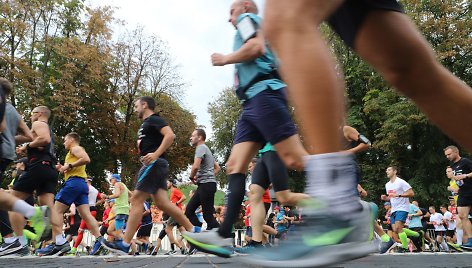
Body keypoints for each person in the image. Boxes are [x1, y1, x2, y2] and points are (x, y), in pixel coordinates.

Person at [259, 0, 472, 264]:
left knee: (285, 15)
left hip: (344, 165)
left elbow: (366, 143)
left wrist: (346, 153)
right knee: (411, 71)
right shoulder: (325, 129)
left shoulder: (346, 130)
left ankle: (336, 210)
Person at [103, 96, 196, 255]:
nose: (135, 109)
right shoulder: (147, 123)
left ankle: (125, 244)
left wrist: (155, 154)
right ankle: (192, 231)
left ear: (145, 105)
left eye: (137, 105)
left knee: (137, 199)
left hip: (153, 163)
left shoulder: (154, 119)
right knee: (162, 203)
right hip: (156, 164)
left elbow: (170, 135)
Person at [41, 132, 105, 256]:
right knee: (86, 215)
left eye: (65, 140)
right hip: (81, 184)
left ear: (71, 139)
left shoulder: (75, 148)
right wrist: (63, 168)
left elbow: (86, 159)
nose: (64, 143)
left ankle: (57, 243)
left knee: (56, 211)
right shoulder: (71, 153)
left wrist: (69, 165)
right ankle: (100, 240)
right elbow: (71, 168)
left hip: (73, 183)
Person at [8, 105, 58, 255]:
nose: (30, 117)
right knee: (48, 206)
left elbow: (43, 139)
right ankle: (59, 241)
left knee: (11, 202)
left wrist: (27, 146)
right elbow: (27, 136)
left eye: (32, 114)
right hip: (50, 168)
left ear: (40, 113)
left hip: (38, 166)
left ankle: (20, 244)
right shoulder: (45, 127)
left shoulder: (39, 123)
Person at [0, 81, 33, 256]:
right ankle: (9, 240)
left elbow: (2, 127)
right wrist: (11, 140)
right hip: (7, 152)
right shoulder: (12, 109)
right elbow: (28, 135)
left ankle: (31, 212)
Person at [185, 128, 220, 231]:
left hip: (206, 185)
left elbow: (195, 167)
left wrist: (192, 177)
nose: (190, 138)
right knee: (189, 210)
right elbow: (217, 168)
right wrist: (205, 175)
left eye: (192, 136)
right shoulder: (206, 149)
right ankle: (198, 231)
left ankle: (226, 236)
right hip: (205, 184)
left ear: (199, 137)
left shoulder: (200, 148)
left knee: (208, 216)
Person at [380, 166, 419, 253]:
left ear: (395, 171)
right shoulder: (387, 185)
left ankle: (405, 247)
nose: (387, 171)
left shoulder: (401, 182)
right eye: (386, 170)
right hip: (394, 209)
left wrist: (399, 195)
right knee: (395, 229)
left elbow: (411, 193)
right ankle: (415, 234)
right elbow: (391, 198)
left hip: (402, 208)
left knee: (398, 227)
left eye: (389, 170)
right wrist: (386, 198)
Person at [444, 145, 472, 249]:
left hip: (471, 191)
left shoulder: (465, 161)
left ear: (456, 152)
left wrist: (465, 176)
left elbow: (465, 176)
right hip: (463, 192)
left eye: (449, 154)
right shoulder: (453, 166)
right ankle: (470, 240)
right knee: (462, 215)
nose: (447, 156)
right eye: (446, 155)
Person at [70, 177, 104, 254]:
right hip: (92, 210)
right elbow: (102, 199)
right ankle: (74, 249)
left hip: (87, 211)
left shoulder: (85, 188)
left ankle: (102, 244)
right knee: (84, 230)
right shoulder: (95, 190)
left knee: (84, 230)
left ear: (86, 181)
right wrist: (95, 204)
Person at [104, 173, 130, 240]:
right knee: (111, 231)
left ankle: (127, 243)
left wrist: (107, 197)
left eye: (111, 180)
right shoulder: (124, 185)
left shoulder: (117, 184)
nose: (110, 182)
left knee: (119, 233)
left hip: (121, 209)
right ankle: (122, 243)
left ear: (114, 179)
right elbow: (131, 194)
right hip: (124, 210)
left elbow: (117, 195)